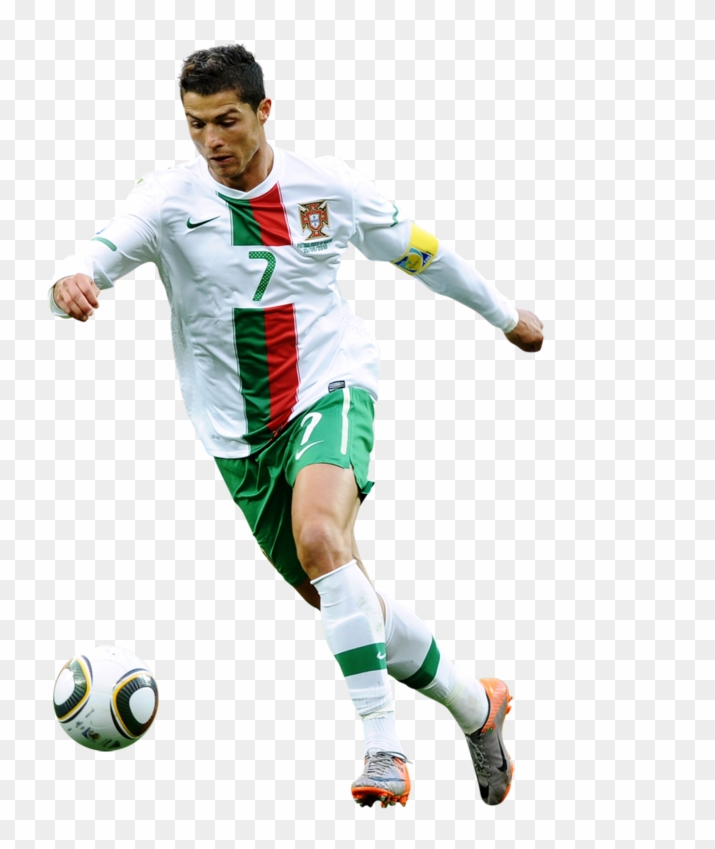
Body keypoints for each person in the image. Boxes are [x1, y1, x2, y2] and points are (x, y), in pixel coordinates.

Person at [47, 44, 544, 808]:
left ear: (264, 111)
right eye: (195, 124)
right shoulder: (169, 201)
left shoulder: (325, 192)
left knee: (320, 534)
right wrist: (69, 285)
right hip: (237, 437)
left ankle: (384, 747)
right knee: (348, 602)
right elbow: (90, 259)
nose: (211, 140)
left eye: (226, 120)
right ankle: (478, 705)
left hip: (327, 386)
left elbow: (423, 252)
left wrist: (506, 316)